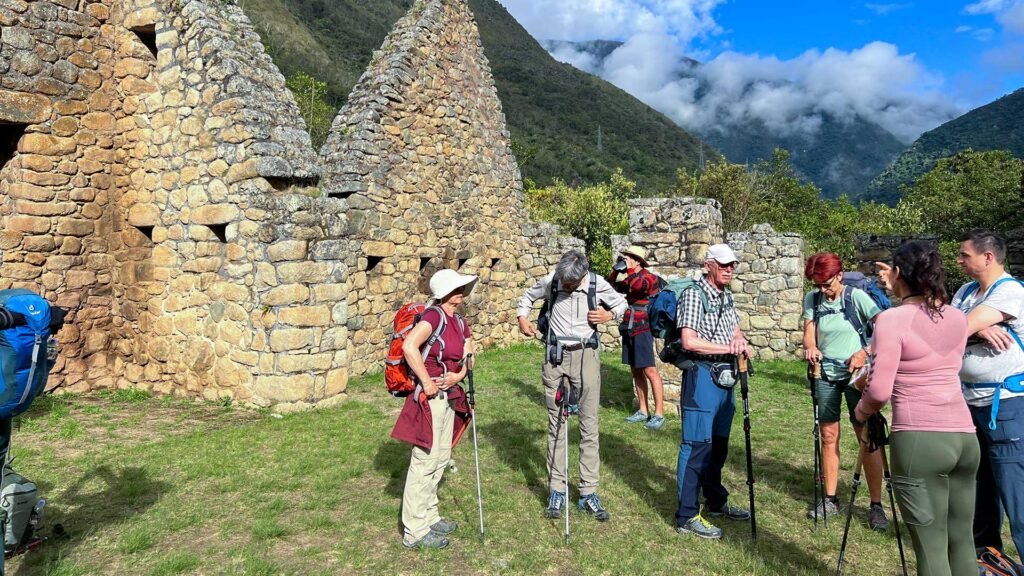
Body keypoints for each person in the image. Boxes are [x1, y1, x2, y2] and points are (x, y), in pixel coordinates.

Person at [856, 240, 978, 576]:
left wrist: (862, 411)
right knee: (962, 541)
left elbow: (879, 389)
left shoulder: (892, 319)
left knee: (931, 548)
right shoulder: (956, 317)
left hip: (921, 437)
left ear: (898, 273)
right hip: (966, 437)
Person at [517, 250, 627, 521]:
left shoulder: (595, 283)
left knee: (589, 425)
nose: (565, 286)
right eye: (563, 283)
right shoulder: (552, 280)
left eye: (570, 283)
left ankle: (588, 492)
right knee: (556, 423)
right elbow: (528, 297)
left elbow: (623, 304)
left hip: (585, 355)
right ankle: (557, 489)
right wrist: (522, 318)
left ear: (582, 275)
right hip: (555, 355)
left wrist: (608, 315)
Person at [951, 229, 1024, 561]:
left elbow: (953, 329)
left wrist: (969, 327)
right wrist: (979, 327)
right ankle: (988, 555)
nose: (959, 261)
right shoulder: (967, 292)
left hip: (1007, 406)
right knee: (979, 482)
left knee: (1015, 489)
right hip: (969, 402)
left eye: (965, 255)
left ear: (988, 257)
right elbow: (945, 327)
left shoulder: (1010, 292)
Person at [802, 252, 889, 531]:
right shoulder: (813, 299)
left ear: (839, 275)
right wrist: (811, 346)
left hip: (857, 377)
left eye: (826, 284)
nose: (823, 290)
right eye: (818, 285)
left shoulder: (856, 298)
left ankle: (876, 505)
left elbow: (887, 330)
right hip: (824, 374)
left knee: (867, 437)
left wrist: (864, 352)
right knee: (828, 434)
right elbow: (809, 330)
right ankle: (830, 498)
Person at [391, 269, 477, 550]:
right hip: (429, 398)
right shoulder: (433, 317)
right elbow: (409, 346)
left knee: (441, 457)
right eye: (457, 288)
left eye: (462, 287)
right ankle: (414, 530)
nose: (461, 292)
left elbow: (470, 358)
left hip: (450, 394)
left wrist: (460, 374)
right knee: (425, 460)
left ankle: (430, 516)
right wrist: (427, 383)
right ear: (445, 293)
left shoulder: (461, 322)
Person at [674, 243, 753, 540]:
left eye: (732, 264)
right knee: (696, 445)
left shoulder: (726, 296)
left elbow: (734, 331)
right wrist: (727, 349)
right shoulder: (694, 295)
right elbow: (689, 341)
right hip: (702, 376)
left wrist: (740, 342)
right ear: (708, 265)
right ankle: (686, 515)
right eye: (723, 265)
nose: (729, 269)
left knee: (718, 445)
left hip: (726, 378)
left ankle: (716, 501)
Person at [607, 245, 666, 430]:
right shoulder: (631, 275)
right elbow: (614, 287)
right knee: (635, 370)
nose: (627, 259)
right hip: (630, 325)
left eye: (629, 257)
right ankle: (643, 410)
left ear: (638, 260)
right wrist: (615, 271)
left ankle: (659, 414)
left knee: (649, 370)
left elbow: (637, 286)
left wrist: (630, 269)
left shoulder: (648, 278)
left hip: (643, 327)